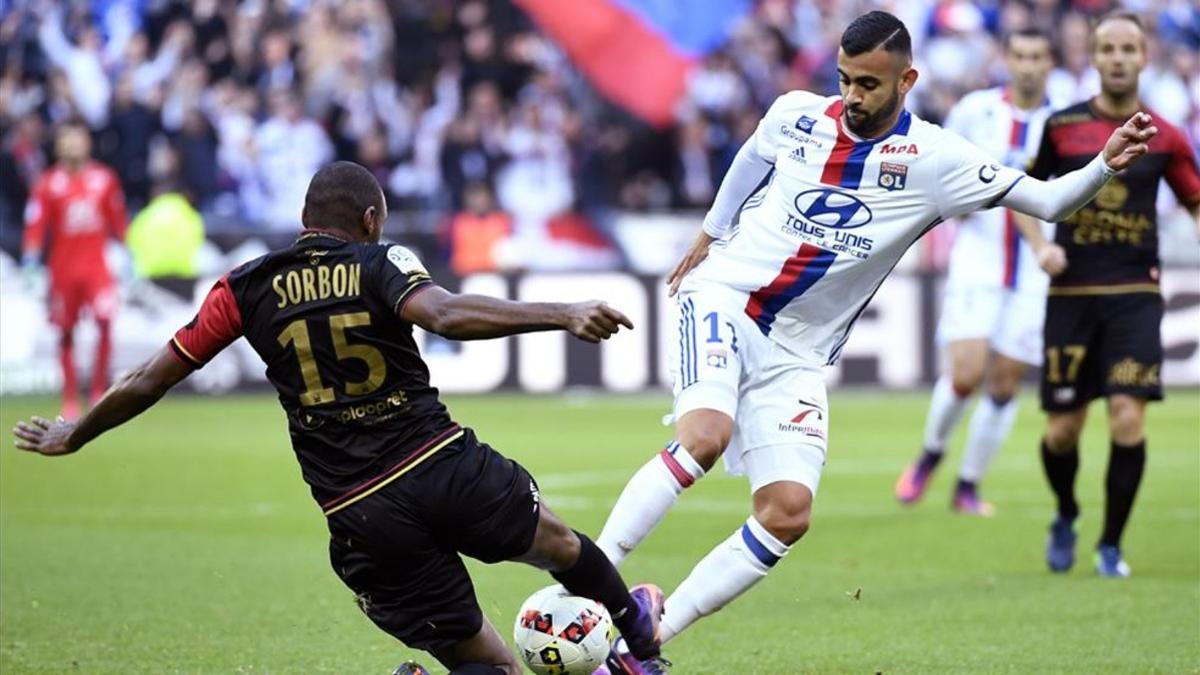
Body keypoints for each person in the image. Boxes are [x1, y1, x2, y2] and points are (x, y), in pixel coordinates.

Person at [592, 11, 1156, 664]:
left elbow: (1050, 201)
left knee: (787, 512)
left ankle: (645, 643)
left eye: (867, 85)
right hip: (727, 298)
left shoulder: (936, 160)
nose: (851, 97)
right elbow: (753, 155)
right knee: (704, 438)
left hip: (799, 353)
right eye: (844, 80)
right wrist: (713, 232)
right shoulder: (798, 114)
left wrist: (1104, 166)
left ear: (907, 80)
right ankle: (592, 579)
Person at [13, 162, 668, 675]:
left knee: (489, 664)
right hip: (437, 462)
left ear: (303, 220)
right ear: (370, 217)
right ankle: (639, 638)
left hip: (358, 511)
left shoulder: (244, 287)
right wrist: (562, 312)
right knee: (559, 543)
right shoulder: (380, 262)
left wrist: (77, 430)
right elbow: (443, 315)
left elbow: (152, 376)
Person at [1023, 12, 1200, 578]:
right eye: (1108, 48)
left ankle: (1110, 546)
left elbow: (1195, 202)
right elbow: (1024, 194)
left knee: (1128, 418)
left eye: (1129, 48)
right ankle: (1068, 512)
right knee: (1061, 431)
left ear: (1144, 57)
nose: (1119, 57)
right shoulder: (1061, 126)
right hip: (1071, 294)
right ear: (1093, 58)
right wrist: (1039, 248)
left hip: (1134, 293)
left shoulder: (1167, 135)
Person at [894, 28, 1061, 515]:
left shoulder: (1064, 121)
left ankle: (967, 485)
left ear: (1050, 62)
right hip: (979, 258)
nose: (1028, 65)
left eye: (1038, 56)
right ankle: (930, 454)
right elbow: (938, 169)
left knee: (1005, 383)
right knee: (965, 374)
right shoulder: (975, 111)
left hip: (1034, 270)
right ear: (1007, 59)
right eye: (1021, 55)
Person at [22, 118, 128, 420]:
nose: (73, 144)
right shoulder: (47, 184)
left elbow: (118, 220)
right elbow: (35, 226)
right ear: (59, 145)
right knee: (66, 332)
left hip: (97, 270)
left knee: (105, 321)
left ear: (87, 143)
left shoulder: (104, 179)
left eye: (78, 138)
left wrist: (129, 253)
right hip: (63, 272)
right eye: (67, 139)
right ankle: (69, 398)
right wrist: (31, 259)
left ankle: (97, 392)